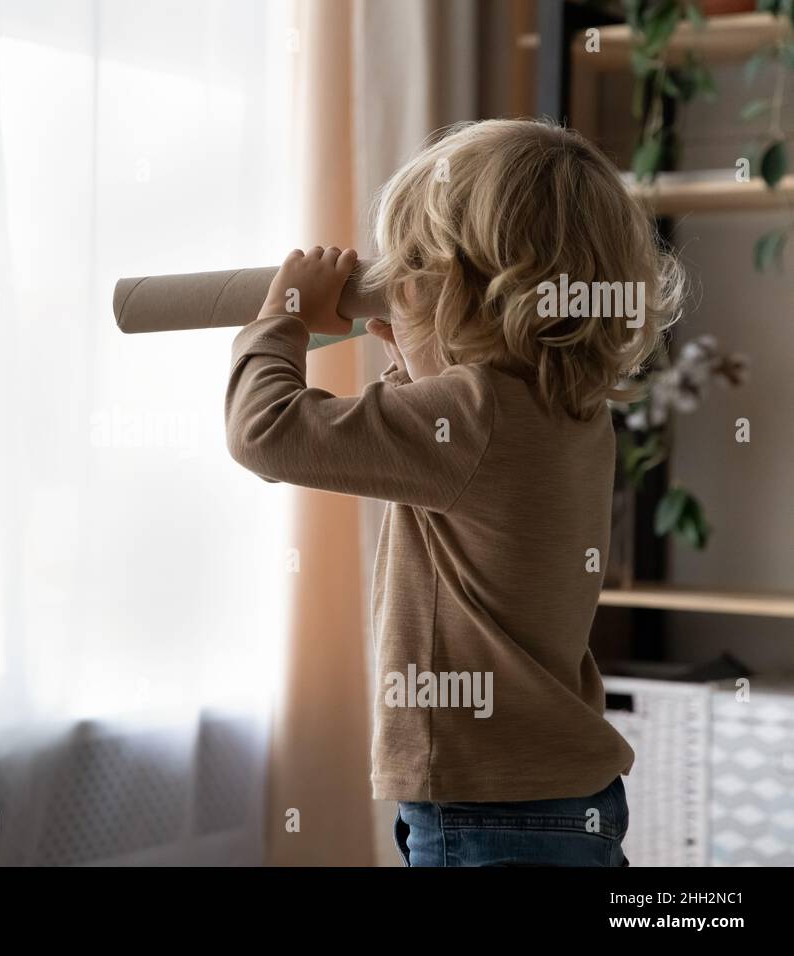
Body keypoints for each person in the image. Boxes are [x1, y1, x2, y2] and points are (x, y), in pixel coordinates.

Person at [225, 119, 683, 866]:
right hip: (565, 797)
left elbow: (264, 431)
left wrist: (280, 323)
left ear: (468, 291)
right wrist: (408, 347)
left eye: (409, 274)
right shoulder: (571, 410)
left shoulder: (469, 419)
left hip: (485, 806)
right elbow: (449, 443)